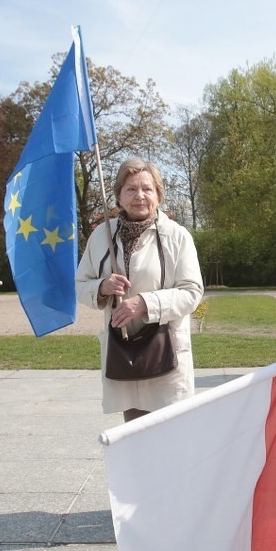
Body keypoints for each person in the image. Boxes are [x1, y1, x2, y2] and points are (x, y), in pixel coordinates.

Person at [75, 158, 204, 421]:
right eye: (131, 189)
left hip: (165, 354)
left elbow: (192, 292)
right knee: (135, 439)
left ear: (158, 194)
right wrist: (101, 287)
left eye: (147, 189)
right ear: (119, 196)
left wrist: (144, 304)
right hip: (124, 356)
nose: (139, 196)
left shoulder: (177, 236)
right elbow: (80, 284)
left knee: (171, 442)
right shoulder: (101, 236)